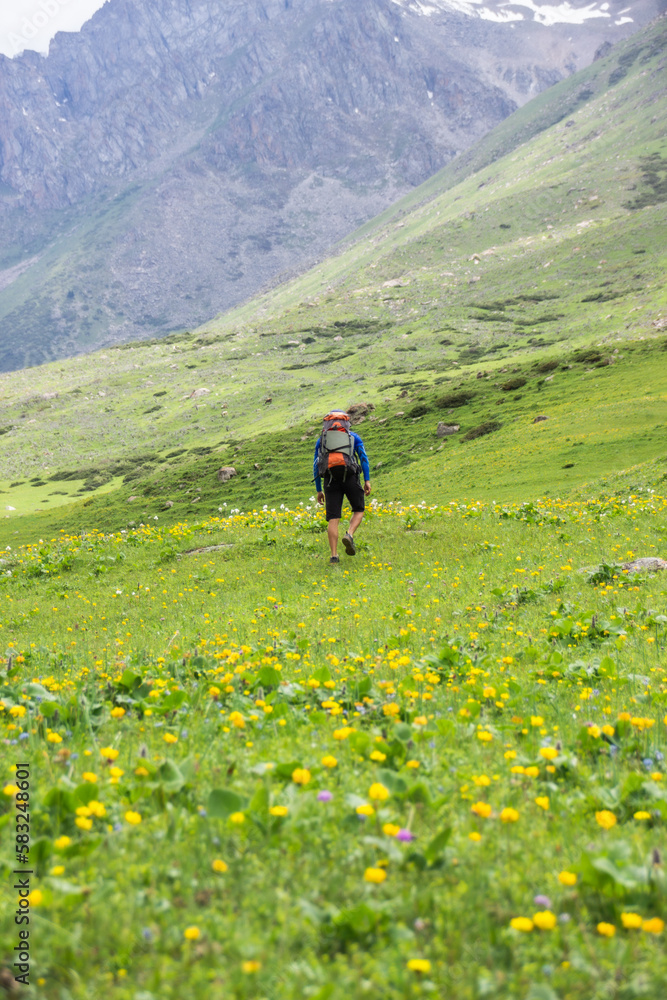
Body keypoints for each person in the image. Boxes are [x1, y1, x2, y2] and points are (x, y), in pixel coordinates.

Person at [313, 410, 371, 564]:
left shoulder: (321, 440)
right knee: (359, 509)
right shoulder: (353, 437)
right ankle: (349, 534)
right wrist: (367, 480)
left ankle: (334, 556)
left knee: (333, 518)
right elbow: (363, 459)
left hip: (331, 480)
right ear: (346, 423)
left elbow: (316, 464)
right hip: (350, 477)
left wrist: (319, 489)